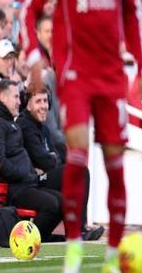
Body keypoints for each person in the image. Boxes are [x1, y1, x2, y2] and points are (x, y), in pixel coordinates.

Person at [21, 0, 142, 273]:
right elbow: (30, 8)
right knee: (77, 156)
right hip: (75, 75)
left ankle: (112, 256)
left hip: (112, 77)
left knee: (115, 166)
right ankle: (75, 247)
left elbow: (134, 13)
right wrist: (34, 56)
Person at [16, 85, 104, 241]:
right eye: (38, 101)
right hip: (32, 182)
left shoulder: (43, 128)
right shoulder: (24, 125)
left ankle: (76, 230)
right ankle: (78, 230)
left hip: (44, 177)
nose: (43, 106)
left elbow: (55, 156)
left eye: (45, 101)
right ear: (28, 105)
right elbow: (43, 159)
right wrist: (51, 158)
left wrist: (51, 158)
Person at [0, 79, 63, 242]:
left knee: (62, 201)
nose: (20, 102)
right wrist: (25, 173)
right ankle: (24, 240)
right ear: (3, 98)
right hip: (14, 189)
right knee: (52, 205)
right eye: (16, 97)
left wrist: (30, 171)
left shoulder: (7, 121)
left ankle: (42, 237)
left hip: (27, 183)